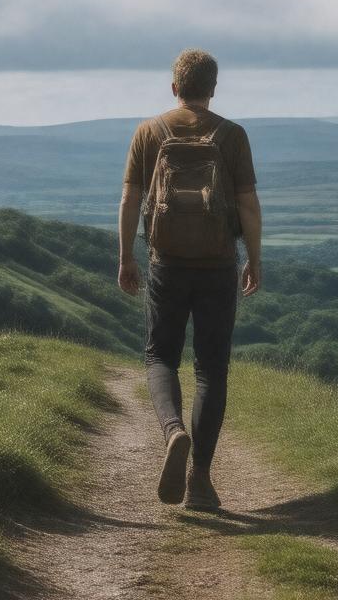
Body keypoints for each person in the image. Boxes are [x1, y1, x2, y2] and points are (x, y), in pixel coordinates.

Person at [117, 48, 262, 511]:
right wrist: (253, 259)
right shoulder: (232, 135)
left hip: (166, 263)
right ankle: (200, 479)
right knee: (211, 369)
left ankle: (172, 432)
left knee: (161, 355)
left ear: (174, 86)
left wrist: (126, 258)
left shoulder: (149, 132)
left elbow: (129, 201)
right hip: (218, 265)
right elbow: (248, 206)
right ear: (213, 88)